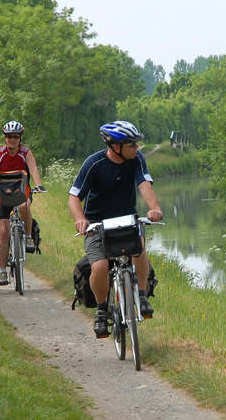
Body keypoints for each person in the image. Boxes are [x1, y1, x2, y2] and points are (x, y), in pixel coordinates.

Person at [69, 120, 163, 338]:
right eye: (132, 144)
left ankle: (141, 296)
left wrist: (154, 208)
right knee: (100, 267)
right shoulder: (94, 164)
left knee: (139, 248)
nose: (137, 148)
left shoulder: (136, 160)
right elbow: (74, 197)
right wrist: (80, 219)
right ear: (115, 146)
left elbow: (144, 185)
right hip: (96, 226)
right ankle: (102, 311)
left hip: (126, 221)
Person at [0, 120, 43, 286]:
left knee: (25, 205)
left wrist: (38, 185)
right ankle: (3, 271)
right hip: (2, 194)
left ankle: (28, 236)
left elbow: (33, 169)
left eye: (15, 137)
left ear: (20, 138)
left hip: (21, 190)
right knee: (3, 233)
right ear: (5, 137)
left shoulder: (25, 152)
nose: (12, 140)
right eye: (9, 136)